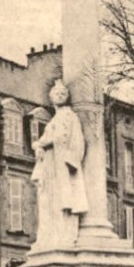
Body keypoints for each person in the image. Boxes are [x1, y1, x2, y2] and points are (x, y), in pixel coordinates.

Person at [31, 79, 89, 247]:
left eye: (63, 93)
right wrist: (38, 144)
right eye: (57, 93)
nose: (60, 95)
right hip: (50, 163)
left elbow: (75, 142)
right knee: (50, 201)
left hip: (62, 164)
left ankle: (63, 236)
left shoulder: (69, 116)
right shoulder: (55, 119)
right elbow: (43, 139)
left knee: (63, 201)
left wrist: (44, 143)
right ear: (51, 97)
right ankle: (51, 237)